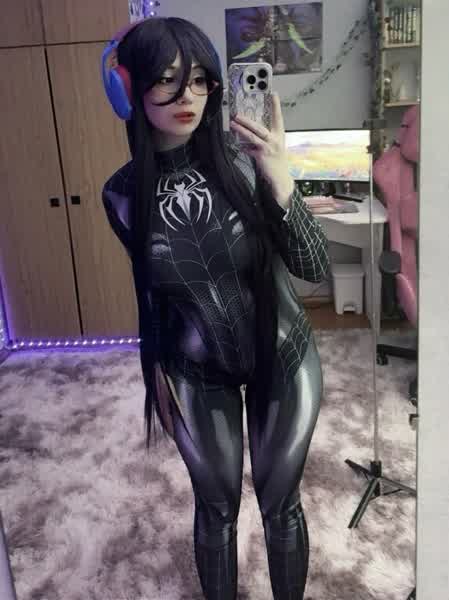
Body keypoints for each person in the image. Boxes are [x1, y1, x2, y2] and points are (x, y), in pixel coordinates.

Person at [101, 16, 329, 600]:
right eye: (167, 79)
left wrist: (281, 179)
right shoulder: (121, 195)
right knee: (215, 508)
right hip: (194, 367)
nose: (189, 96)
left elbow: (315, 268)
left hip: (282, 353)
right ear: (126, 88)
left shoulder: (246, 159)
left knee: (280, 505)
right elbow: (151, 292)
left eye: (201, 80)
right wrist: (155, 367)